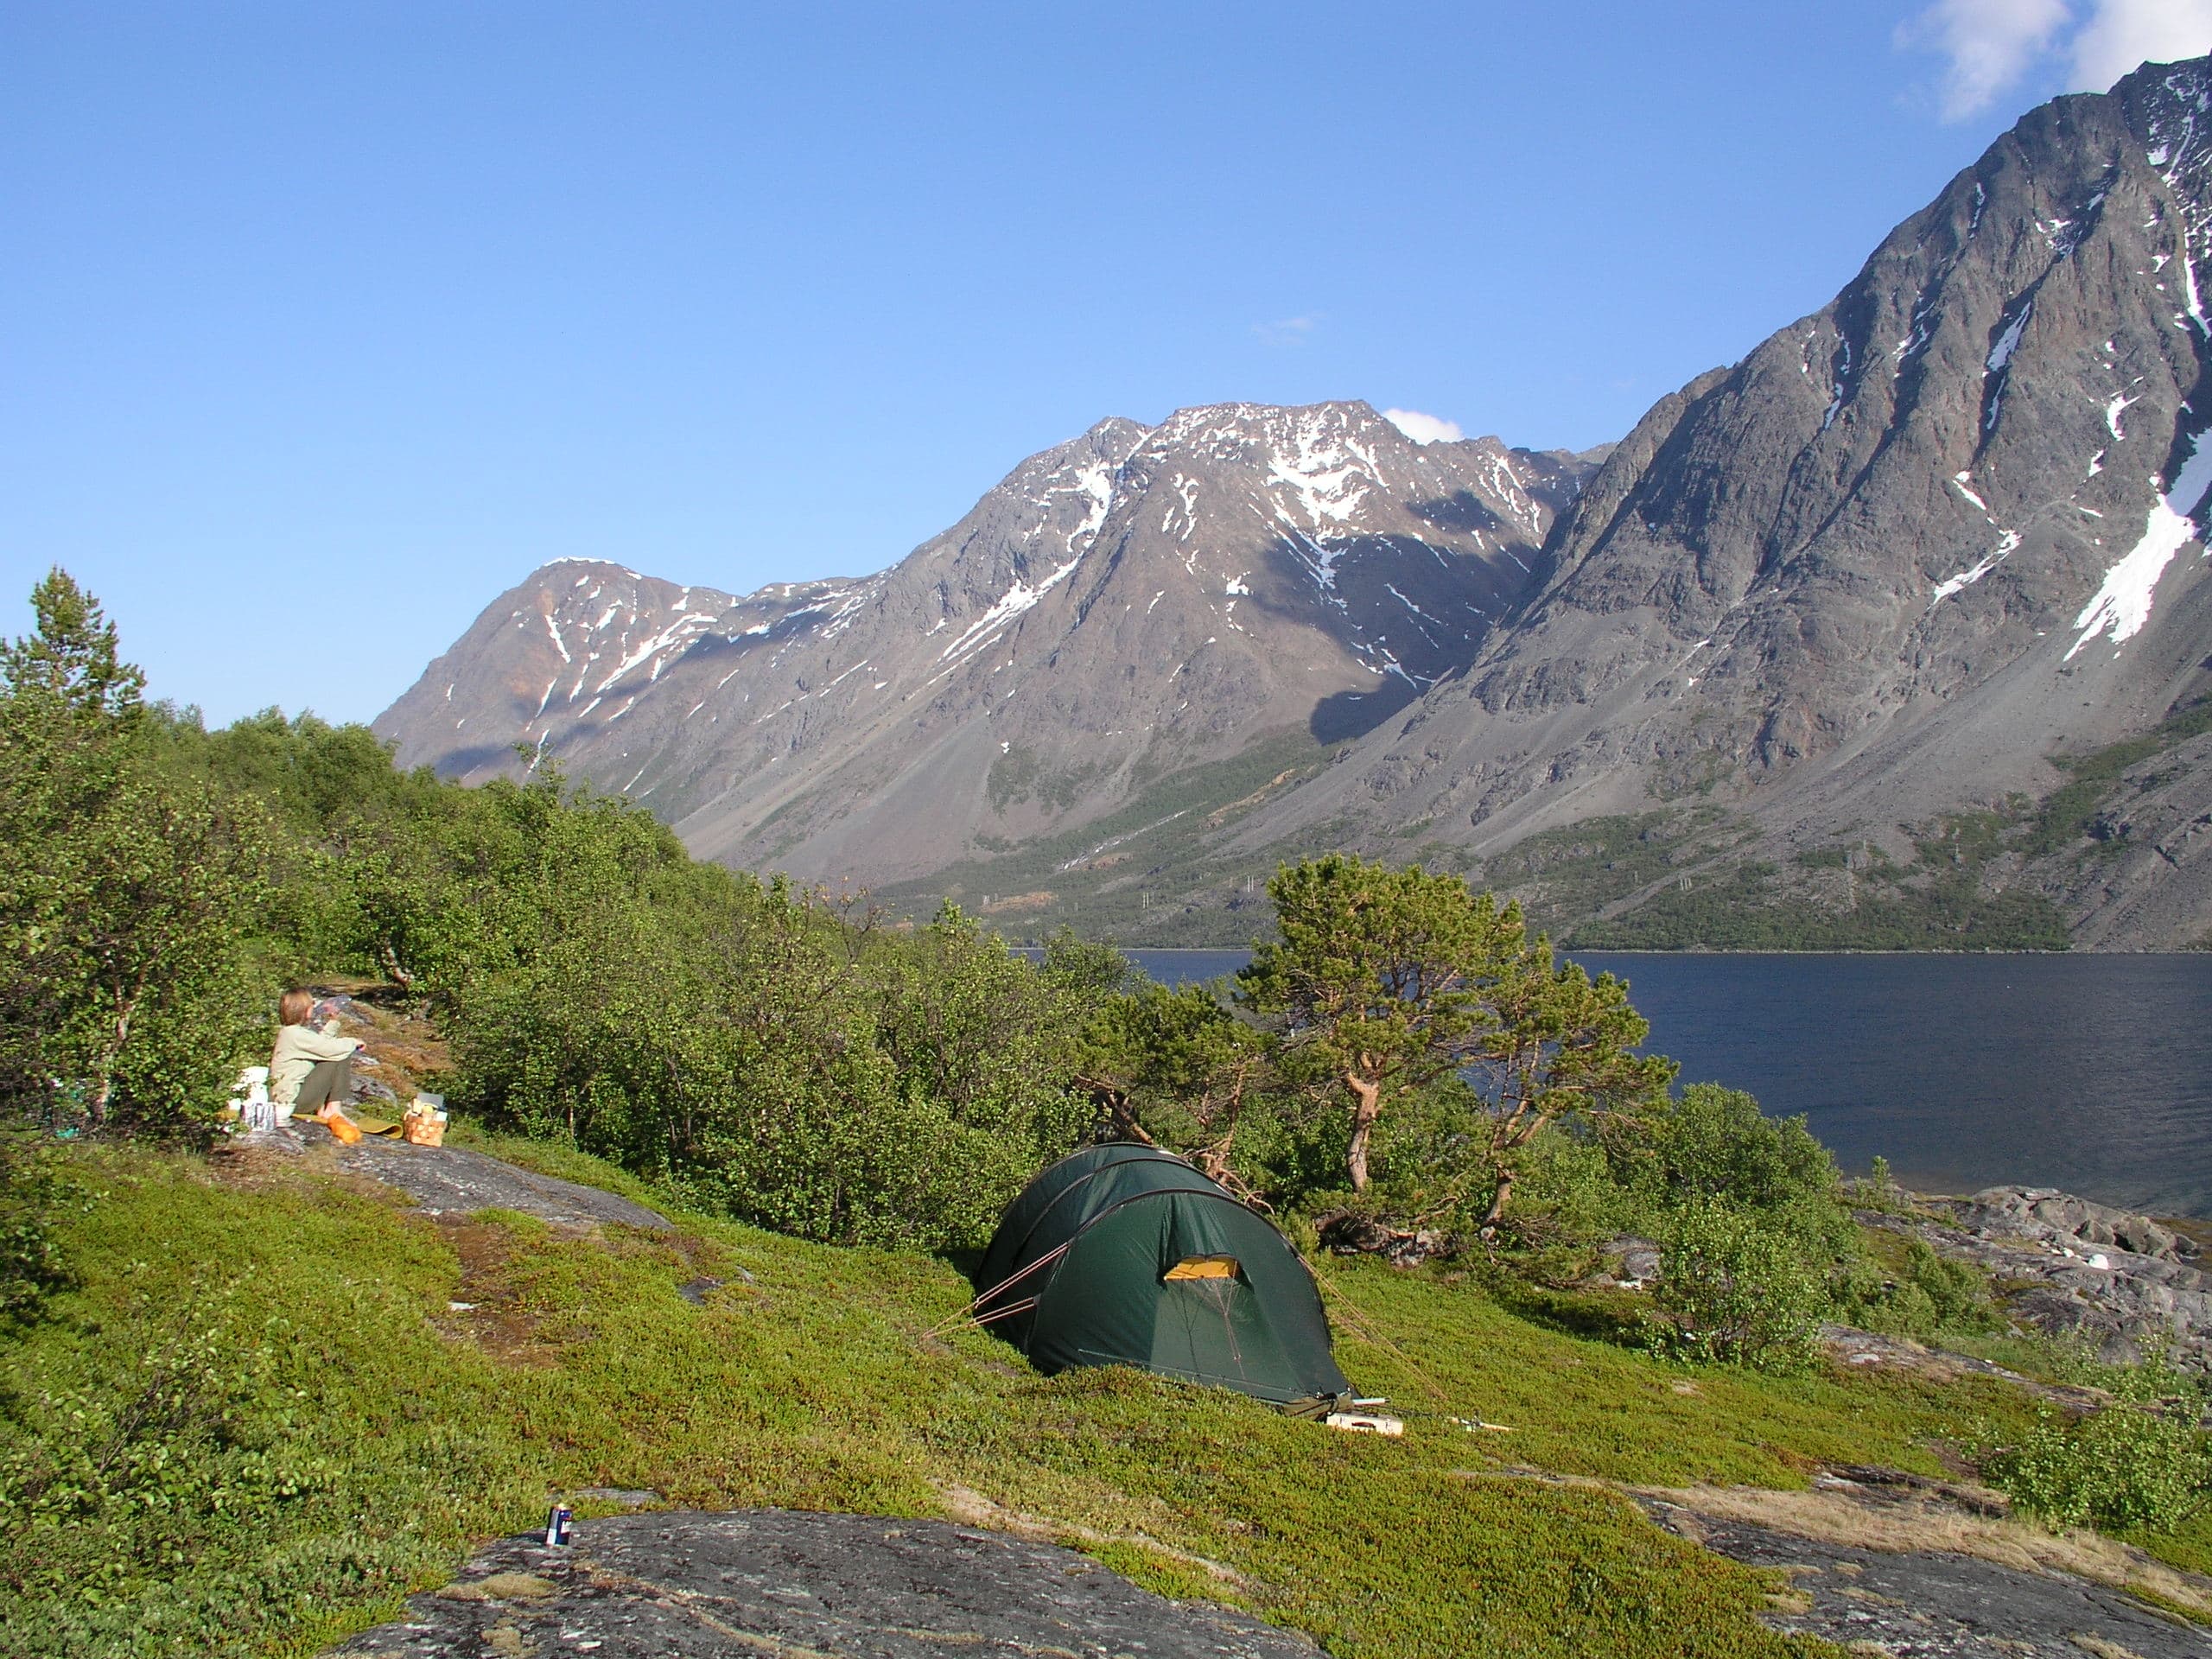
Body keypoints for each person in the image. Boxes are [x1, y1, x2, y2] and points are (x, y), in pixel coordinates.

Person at [269, 988, 362, 1122]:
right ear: (304, 1010)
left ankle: (327, 1108)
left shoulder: (291, 1033)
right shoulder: (295, 1035)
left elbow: (320, 1045)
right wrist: (354, 1042)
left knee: (338, 1051)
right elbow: (332, 1049)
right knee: (341, 1053)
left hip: (288, 1099)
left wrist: (333, 1021)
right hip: (293, 1102)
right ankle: (333, 1109)